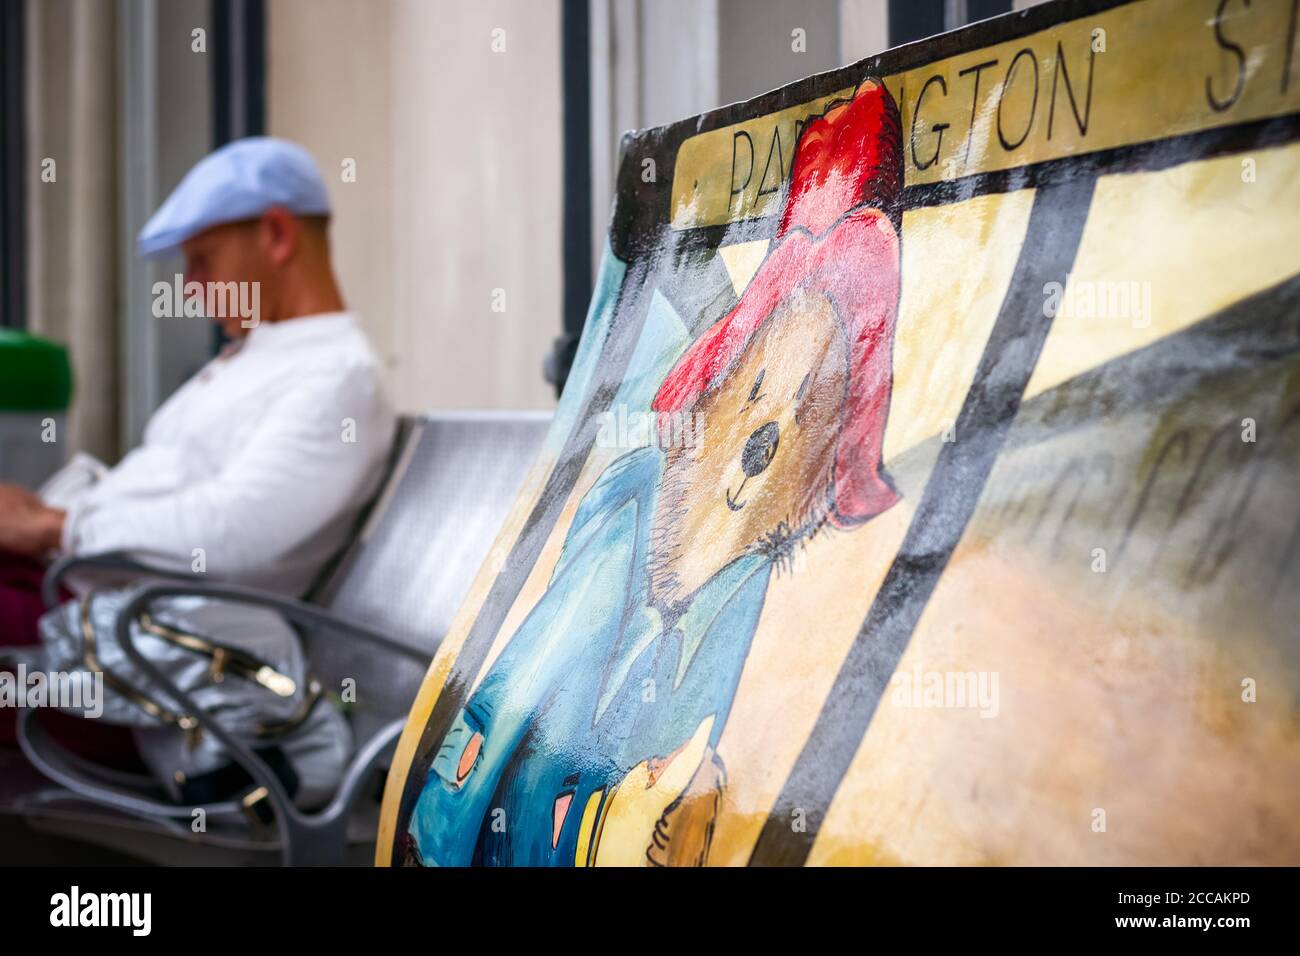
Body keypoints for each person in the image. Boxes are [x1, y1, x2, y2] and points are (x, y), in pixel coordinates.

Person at [0, 137, 395, 654]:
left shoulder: (337, 375)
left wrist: (57, 526)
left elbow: (235, 528)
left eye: (203, 261)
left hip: (126, 646)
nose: (189, 288)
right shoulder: (259, 353)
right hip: (82, 602)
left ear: (277, 235)